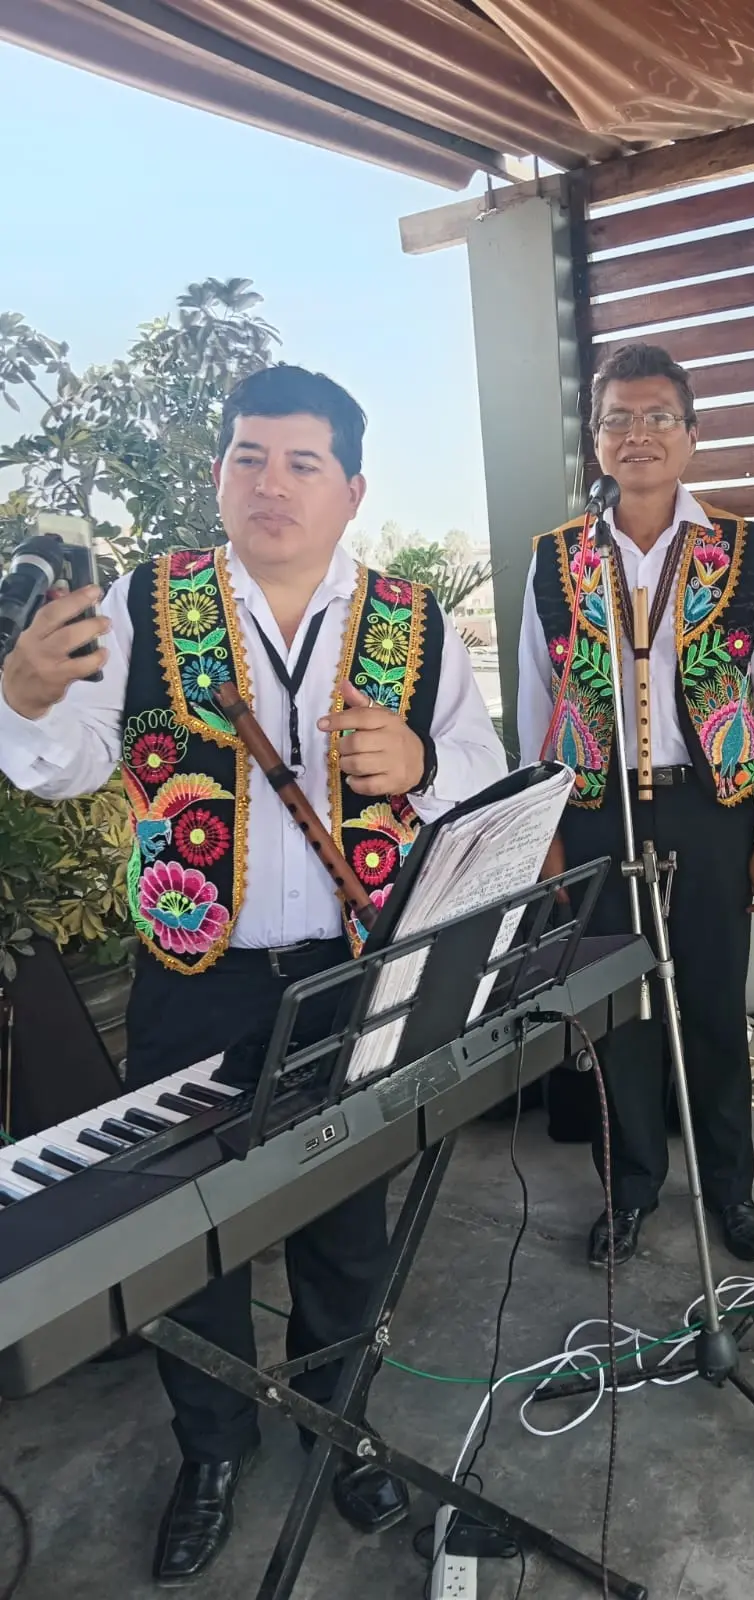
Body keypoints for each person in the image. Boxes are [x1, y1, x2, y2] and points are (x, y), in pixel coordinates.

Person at [0, 365, 508, 1580]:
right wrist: (21, 694)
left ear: (352, 489)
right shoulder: (142, 601)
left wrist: (423, 758)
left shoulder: (416, 619)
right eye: (246, 457)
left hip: (352, 967)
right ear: (219, 472)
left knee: (346, 1217)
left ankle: (344, 1425)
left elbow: (484, 781)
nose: (269, 483)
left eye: (300, 462)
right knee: (189, 1232)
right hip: (194, 970)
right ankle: (210, 1445)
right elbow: (65, 765)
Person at [517, 341, 754, 1268]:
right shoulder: (557, 560)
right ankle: (630, 1187)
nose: (636, 435)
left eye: (656, 418)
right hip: (597, 817)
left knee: (716, 1008)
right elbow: (536, 710)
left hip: (710, 813)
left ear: (691, 433)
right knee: (619, 1015)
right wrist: (550, 841)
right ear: (595, 440)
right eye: (616, 420)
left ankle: (731, 1189)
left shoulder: (742, 548)